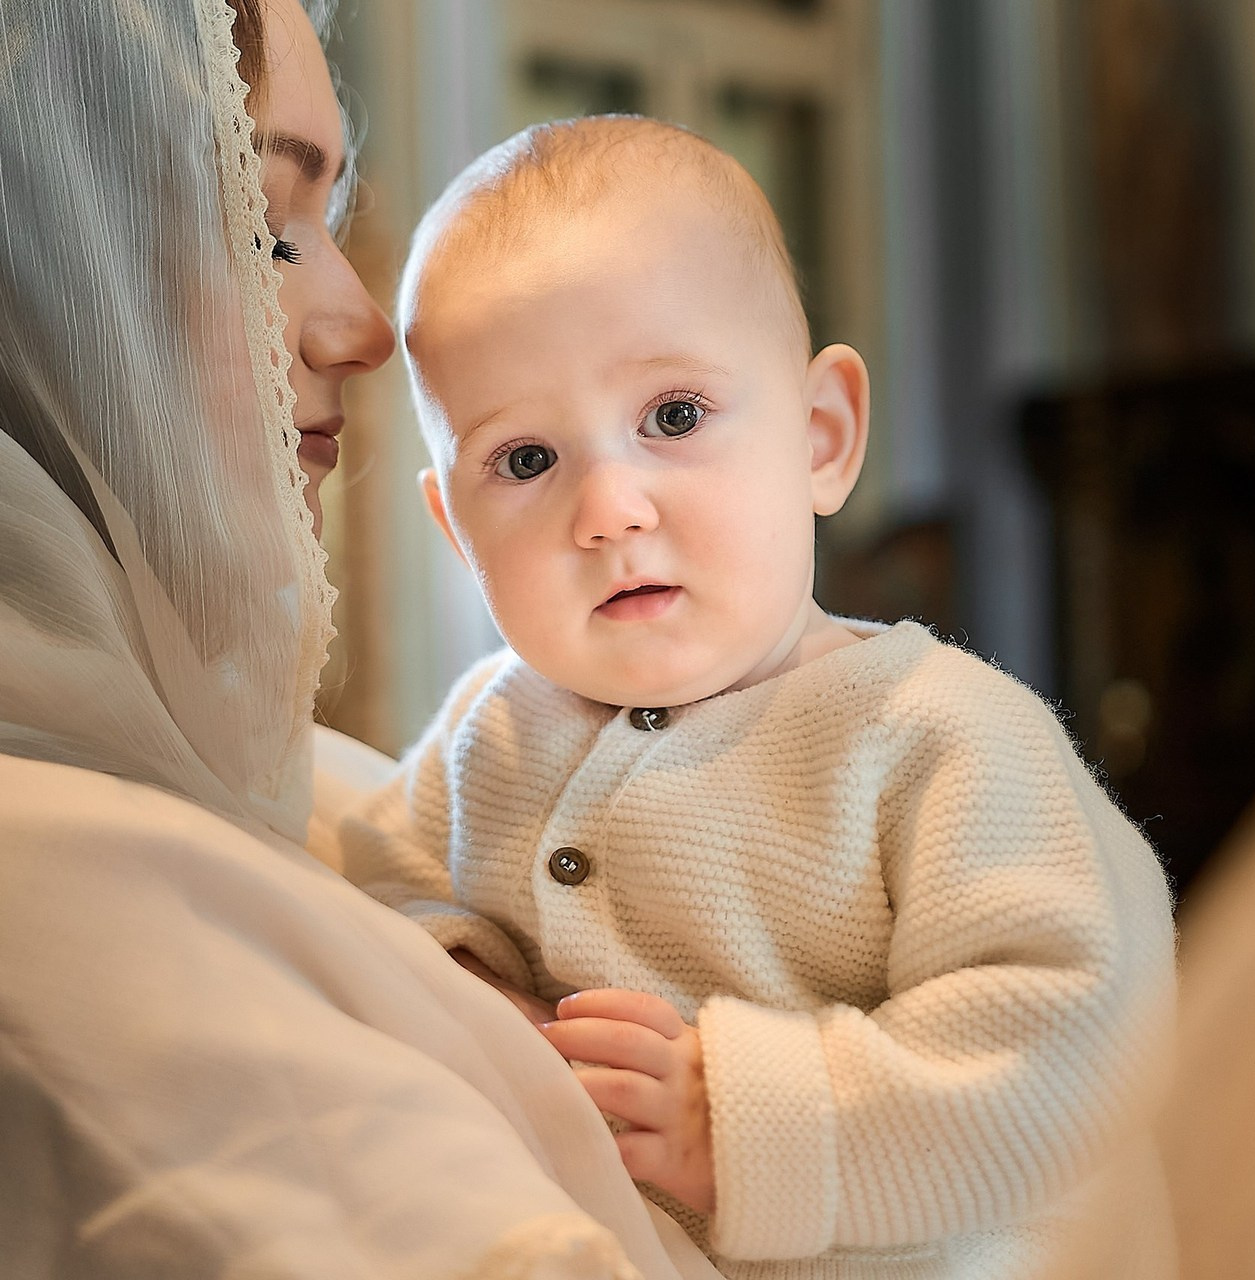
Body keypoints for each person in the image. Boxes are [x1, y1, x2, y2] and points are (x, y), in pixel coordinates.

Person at [341, 116, 1180, 1279]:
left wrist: (735, 1121)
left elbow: (1075, 1033)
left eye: (672, 418)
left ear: (819, 437)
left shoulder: (934, 732)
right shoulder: (486, 733)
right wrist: (468, 982)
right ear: (456, 531)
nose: (609, 508)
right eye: (526, 461)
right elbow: (384, 887)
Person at [0, 6, 722, 1278]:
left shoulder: (295, 782)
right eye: (266, 229)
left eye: (676, 414)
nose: (363, 323)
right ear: (41, 265)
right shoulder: (58, 906)